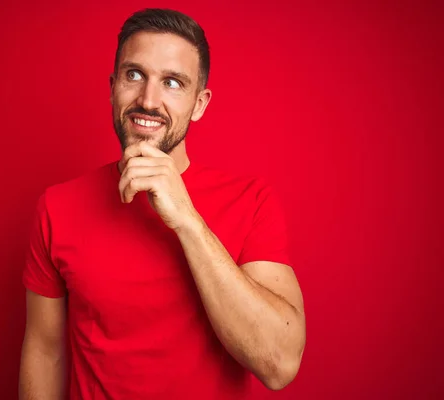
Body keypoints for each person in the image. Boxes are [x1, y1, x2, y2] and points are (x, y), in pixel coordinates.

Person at [19, 8, 306, 400]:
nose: (148, 100)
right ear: (112, 85)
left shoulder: (252, 202)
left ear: (200, 103)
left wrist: (187, 219)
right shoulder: (57, 206)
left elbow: (280, 364)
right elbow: (45, 351)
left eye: (172, 82)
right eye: (134, 75)